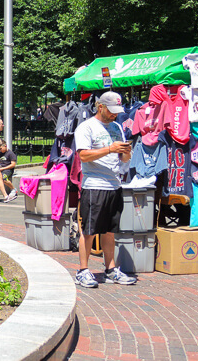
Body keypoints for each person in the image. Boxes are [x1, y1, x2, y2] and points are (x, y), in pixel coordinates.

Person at [74, 91, 136, 288]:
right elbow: (83, 156)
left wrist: (125, 153)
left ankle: (111, 269)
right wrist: (110, 148)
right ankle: (83, 270)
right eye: (111, 110)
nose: (115, 115)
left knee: (110, 231)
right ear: (100, 107)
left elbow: (123, 159)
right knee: (90, 230)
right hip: (94, 186)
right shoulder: (86, 127)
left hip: (114, 185)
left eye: (117, 111)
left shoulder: (117, 126)